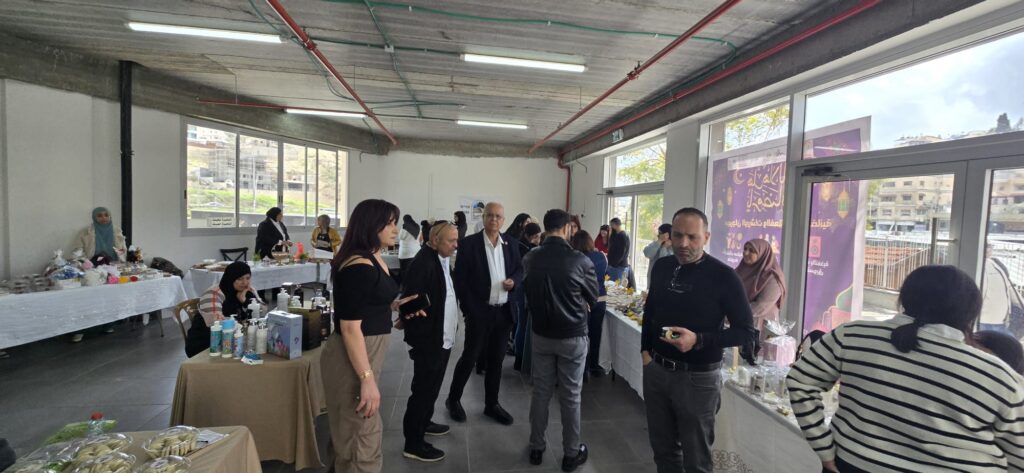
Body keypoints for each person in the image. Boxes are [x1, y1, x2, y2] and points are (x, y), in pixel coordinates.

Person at [788, 265, 1024, 473]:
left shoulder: (852, 335)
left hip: (851, 462)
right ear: (971, 312)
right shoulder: (998, 377)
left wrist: (823, 446)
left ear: (903, 298)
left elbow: (800, 380)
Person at [642, 208, 755, 473]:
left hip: (697, 379)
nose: (683, 243)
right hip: (657, 371)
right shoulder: (662, 267)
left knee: (696, 459)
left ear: (706, 237)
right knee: (663, 451)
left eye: (692, 237)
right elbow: (651, 311)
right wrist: (645, 351)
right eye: (677, 235)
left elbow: (745, 331)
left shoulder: (724, 276)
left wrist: (699, 340)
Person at [321, 199, 419, 473]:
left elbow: (367, 303)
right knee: (361, 437)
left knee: (351, 432)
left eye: (395, 223)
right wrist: (366, 379)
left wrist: (396, 306)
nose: (396, 229)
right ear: (370, 225)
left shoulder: (372, 257)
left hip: (365, 353)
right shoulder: (358, 266)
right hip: (353, 357)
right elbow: (350, 327)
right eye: (389, 223)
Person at [524, 209, 599, 472]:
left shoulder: (531, 257)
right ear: (567, 228)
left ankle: (536, 447)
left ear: (545, 228)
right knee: (570, 396)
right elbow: (593, 297)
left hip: (541, 334)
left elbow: (528, 291)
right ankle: (570, 453)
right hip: (572, 336)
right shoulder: (580, 260)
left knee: (540, 392)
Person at [445, 202, 523, 426]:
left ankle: (492, 404)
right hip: (479, 312)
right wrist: (469, 309)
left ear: (503, 220)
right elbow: (460, 280)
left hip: (503, 312)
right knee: (470, 357)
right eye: (490, 215)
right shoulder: (469, 244)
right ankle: (453, 399)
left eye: (498, 216)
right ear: (483, 217)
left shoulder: (511, 244)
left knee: (496, 360)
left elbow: (520, 269)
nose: (494, 219)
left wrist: (514, 281)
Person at [400, 222, 459, 462]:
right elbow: (410, 303)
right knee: (422, 391)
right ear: (435, 240)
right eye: (451, 241)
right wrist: (421, 339)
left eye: (456, 240)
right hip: (429, 341)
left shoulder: (441, 259)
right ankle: (413, 443)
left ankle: (424, 422)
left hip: (442, 337)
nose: (456, 245)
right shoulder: (422, 263)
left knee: (432, 387)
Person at [71, 207, 128, 341]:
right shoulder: (86, 232)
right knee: (87, 300)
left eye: (106, 215)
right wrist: (86, 262)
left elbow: (122, 249)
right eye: (100, 215)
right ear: (94, 217)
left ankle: (108, 324)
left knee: (110, 298)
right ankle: (81, 330)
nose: (104, 218)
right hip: (92, 269)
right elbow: (77, 251)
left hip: (112, 268)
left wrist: (121, 256)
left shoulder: (116, 230)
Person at [187, 262, 263, 357]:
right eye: (239, 279)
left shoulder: (247, 291)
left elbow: (262, 312)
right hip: (207, 344)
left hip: (235, 341)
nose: (245, 282)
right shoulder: (213, 294)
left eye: (247, 278)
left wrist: (245, 301)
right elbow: (217, 325)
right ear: (231, 278)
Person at [571, 230, 608, 378]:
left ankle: (584, 368)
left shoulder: (576, 258)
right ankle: (594, 365)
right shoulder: (601, 257)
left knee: (583, 336)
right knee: (596, 334)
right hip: (601, 298)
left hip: (584, 300)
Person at [735, 238, 786, 336]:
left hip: (761, 328)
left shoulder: (773, 277)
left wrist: (733, 312)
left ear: (762, 254)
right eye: (745, 249)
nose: (746, 253)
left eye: (751, 250)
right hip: (738, 323)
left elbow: (761, 306)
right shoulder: (741, 270)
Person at [513, 222, 544, 371]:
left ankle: (520, 357)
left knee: (522, 323)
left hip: (523, 288)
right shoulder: (525, 249)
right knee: (523, 323)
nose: (538, 239)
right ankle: (520, 357)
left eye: (539, 236)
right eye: (536, 237)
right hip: (523, 289)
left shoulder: (526, 247)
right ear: (527, 236)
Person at [979, 245, 1023, 333]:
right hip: (985, 320)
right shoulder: (980, 266)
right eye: (987, 246)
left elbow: (1009, 288)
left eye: (990, 246)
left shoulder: (995, 263)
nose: (989, 249)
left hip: (1001, 320)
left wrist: (1021, 304)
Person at [607, 218, 632, 287]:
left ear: (616, 225)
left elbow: (621, 253)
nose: (611, 226)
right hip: (614, 265)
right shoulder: (615, 234)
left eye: (612, 225)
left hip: (619, 267)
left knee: (617, 288)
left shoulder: (622, 235)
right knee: (611, 287)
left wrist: (613, 264)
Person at [398, 214, 422, 279]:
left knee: (404, 271)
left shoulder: (404, 226)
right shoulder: (417, 226)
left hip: (405, 253)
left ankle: (404, 283)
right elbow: (420, 238)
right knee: (414, 271)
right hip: (416, 251)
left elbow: (401, 237)